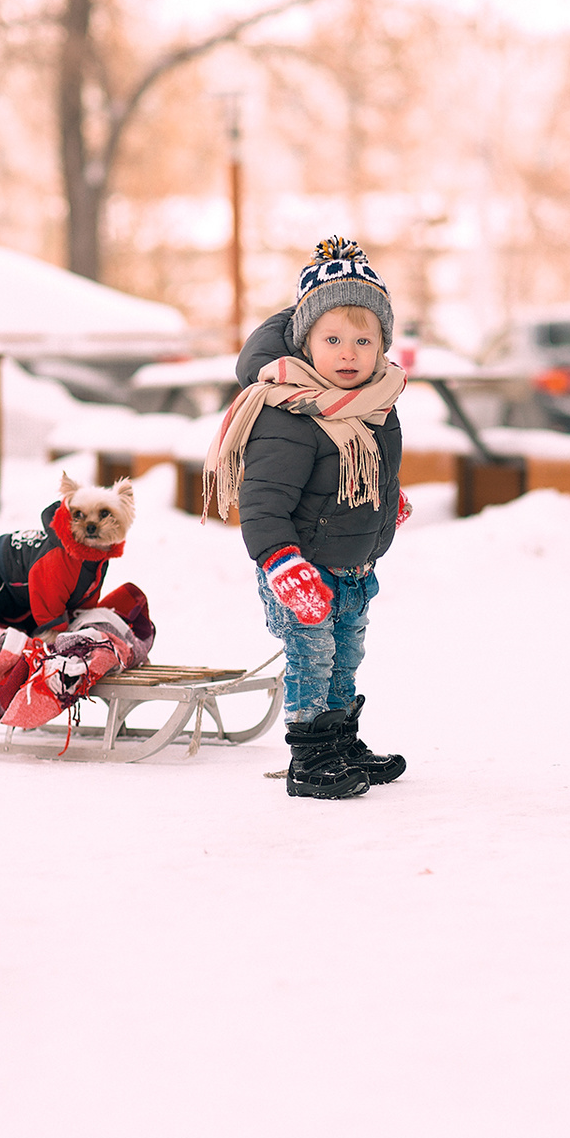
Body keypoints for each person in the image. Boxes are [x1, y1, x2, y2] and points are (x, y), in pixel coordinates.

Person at [203, 236, 412, 800]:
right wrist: (281, 562)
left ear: (382, 346)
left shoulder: (377, 403)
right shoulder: (290, 411)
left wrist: (387, 500)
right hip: (299, 569)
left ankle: (340, 742)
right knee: (311, 660)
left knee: (347, 656)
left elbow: (369, 469)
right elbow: (264, 501)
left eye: (363, 340)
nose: (349, 353)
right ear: (305, 344)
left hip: (352, 565)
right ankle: (310, 757)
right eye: (333, 339)